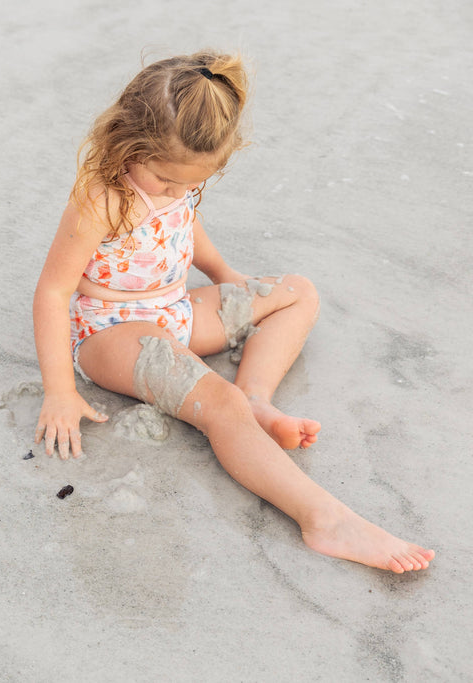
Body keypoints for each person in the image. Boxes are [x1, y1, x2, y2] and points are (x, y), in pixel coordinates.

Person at [32, 51, 434, 573]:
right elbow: (51, 293)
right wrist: (60, 390)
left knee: (297, 292)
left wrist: (228, 279)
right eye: (165, 180)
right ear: (128, 142)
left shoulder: (178, 179)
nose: (176, 192)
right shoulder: (102, 199)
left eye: (190, 183)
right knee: (216, 403)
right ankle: (323, 517)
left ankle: (257, 398)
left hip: (175, 310)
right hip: (112, 331)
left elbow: (184, 225)